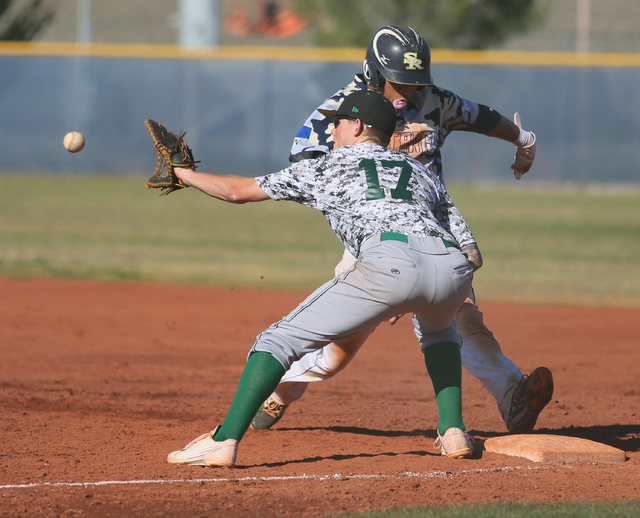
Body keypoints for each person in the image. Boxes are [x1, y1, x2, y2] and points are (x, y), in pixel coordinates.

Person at [251, 25, 553, 435]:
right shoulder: (339, 113)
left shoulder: (433, 101)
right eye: (401, 83)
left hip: (434, 237)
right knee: (342, 349)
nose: (409, 92)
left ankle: (512, 395)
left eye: (415, 83)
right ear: (373, 73)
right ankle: (282, 390)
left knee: (464, 316)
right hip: (372, 240)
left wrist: (524, 139)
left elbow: (481, 117)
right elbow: (311, 176)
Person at [167, 90, 477, 467]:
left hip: (390, 263)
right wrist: (423, 289)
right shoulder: (419, 170)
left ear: (358, 126)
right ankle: (453, 430)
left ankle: (224, 439)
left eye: (338, 122)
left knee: (277, 341)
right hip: (450, 265)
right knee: (440, 332)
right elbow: (470, 250)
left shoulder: (330, 165)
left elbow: (236, 191)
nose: (331, 131)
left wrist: (185, 174)